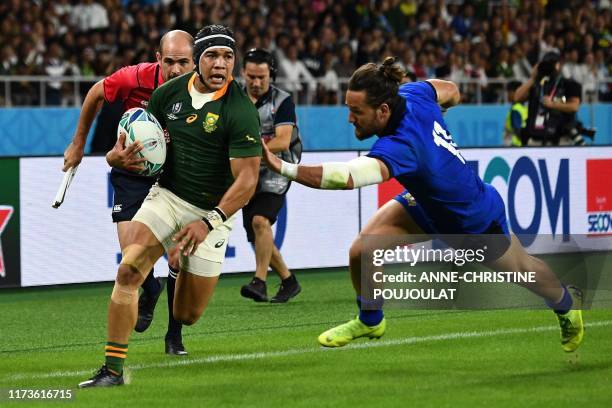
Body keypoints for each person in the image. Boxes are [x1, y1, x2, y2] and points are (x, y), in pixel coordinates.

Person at [261, 57, 584, 352]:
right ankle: (371, 321)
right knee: (363, 250)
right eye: (349, 108)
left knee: (525, 272)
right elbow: (452, 90)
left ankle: (567, 305)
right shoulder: (413, 94)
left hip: (472, 220)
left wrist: (284, 167)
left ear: (384, 111)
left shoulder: (403, 144)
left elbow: (346, 177)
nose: (349, 118)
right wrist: (450, 105)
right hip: (427, 203)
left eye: (356, 112)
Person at [78, 25, 262, 388]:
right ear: (199, 62)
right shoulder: (167, 95)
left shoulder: (240, 110)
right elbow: (150, 147)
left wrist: (208, 223)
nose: (220, 64)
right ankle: (112, 370)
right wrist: (117, 158)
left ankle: (176, 292)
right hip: (167, 196)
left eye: (227, 57)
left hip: (213, 212)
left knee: (187, 313)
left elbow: (247, 182)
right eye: (212, 55)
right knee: (129, 270)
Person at [63, 30, 195, 356]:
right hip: (132, 172)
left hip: (176, 175)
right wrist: (79, 144)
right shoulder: (134, 78)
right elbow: (96, 93)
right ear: (157, 57)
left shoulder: (204, 91)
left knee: (179, 255)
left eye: (183, 62)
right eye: (169, 62)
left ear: (194, 61)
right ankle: (150, 290)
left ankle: (173, 336)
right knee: (131, 253)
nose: (176, 69)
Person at [239, 48, 302, 303]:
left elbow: (283, 140)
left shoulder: (283, 100)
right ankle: (289, 281)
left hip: (278, 167)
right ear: (243, 72)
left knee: (260, 221)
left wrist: (247, 148)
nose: (255, 83)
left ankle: (260, 282)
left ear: (271, 75)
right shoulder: (234, 98)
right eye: (251, 76)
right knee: (256, 233)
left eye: (261, 78)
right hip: (247, 169)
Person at [514, 52, 592, 146]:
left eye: (551, 64)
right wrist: (533, 78)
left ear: (559, 65)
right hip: (536, 138)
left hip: (561, 139)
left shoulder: (569, 84)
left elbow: (574, 106)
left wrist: (552, 104)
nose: (548, 68)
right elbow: (517, 97)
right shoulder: (537, 85)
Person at [503, 80, 527, 147]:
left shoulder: (515, 109)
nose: (507, 95)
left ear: (514, 92)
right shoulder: (524, 108)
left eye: (509, 92)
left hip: (515, 146)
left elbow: (517, 129)